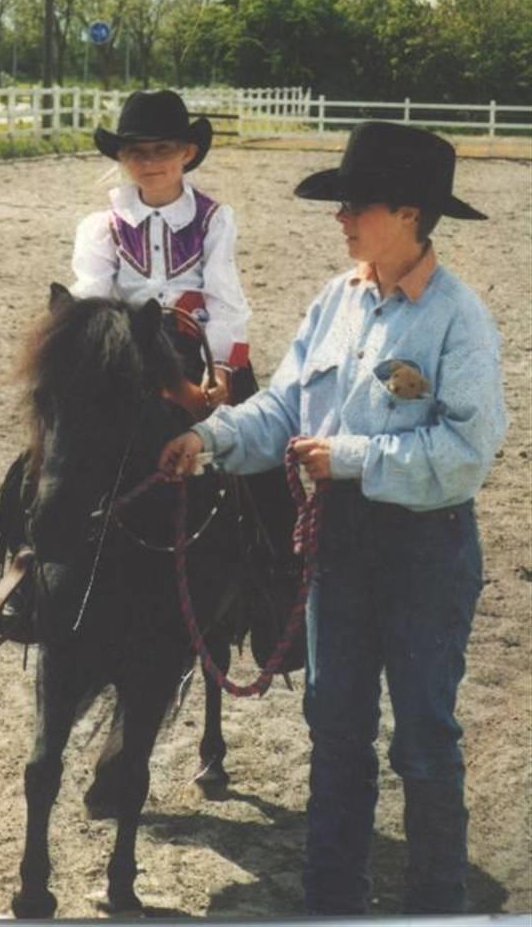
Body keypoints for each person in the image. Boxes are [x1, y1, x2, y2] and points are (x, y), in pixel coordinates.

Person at [158, 120, 507, 915]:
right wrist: (206, 438)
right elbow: (282, 406)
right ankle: (331, 901)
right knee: (337, 729)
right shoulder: (334, 301)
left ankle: (436, 903)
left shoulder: (461, 319)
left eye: (357, 203)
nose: (341, 218)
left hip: (426, 549)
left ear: (410, 213)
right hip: (340, 550)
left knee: (423, 737)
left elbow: (466, 454)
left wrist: (349, 459)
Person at [71, 88, 251, 413]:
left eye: (162, 149)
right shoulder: (104, 226)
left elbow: (224, 299)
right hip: (130, 351)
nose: (149, 161)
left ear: (187, 152)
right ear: (121, 158)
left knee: (243, 435)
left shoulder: (213, 220)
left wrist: (219, 367)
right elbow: (91, 294)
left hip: (198, 347)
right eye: (136, 151)